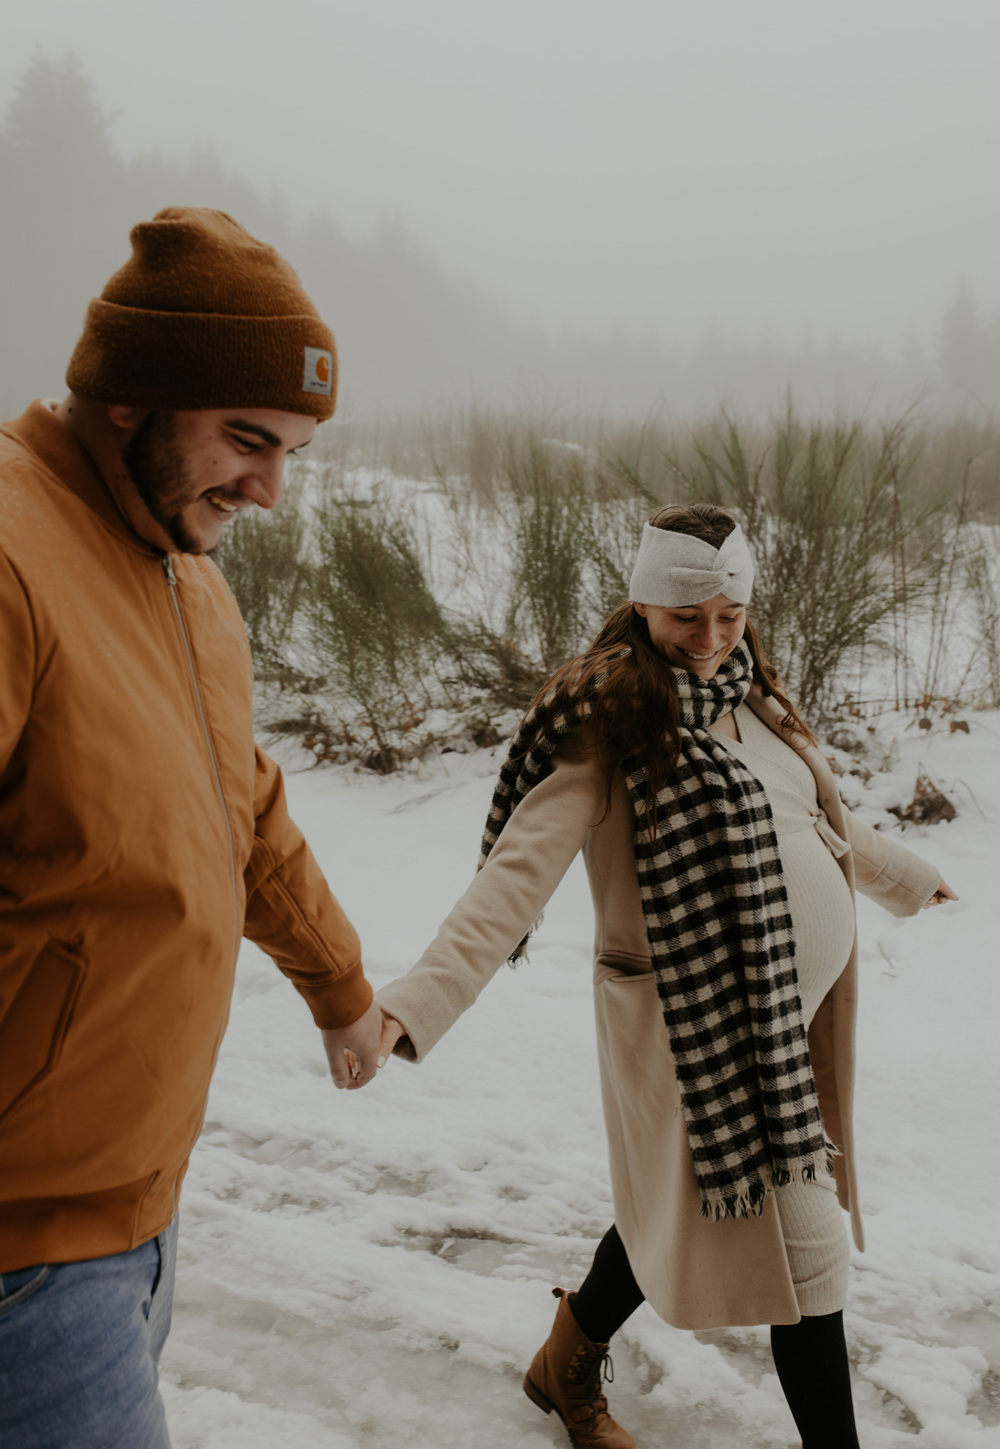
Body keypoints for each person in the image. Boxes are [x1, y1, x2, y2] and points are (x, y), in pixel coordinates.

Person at [375, 504, 956, 1449]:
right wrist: (415, 1003)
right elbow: (514, 878)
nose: (711, 636)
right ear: (642, 599)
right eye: (690, 616)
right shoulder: (612, 720)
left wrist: (906, 878)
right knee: (804, 1253)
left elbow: (816, 820)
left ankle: (564, 1355)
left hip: (779, 1021)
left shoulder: (751, 693)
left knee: (676, 1206)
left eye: (731, 615)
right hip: (690, 1028)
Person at [0, 208, 382, 1449]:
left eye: (295, 452)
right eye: (247, 440)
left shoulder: (185, 574)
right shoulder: (12, 555)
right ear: (131, 399)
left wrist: (339, 984)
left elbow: (245, 812)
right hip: (24, 1243)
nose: (270, 489)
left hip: (139, 1209)